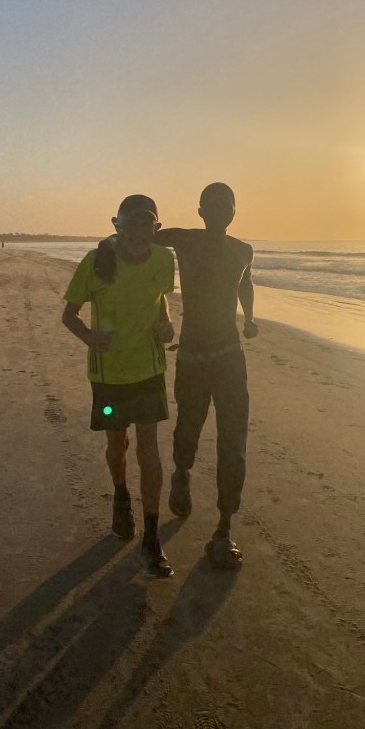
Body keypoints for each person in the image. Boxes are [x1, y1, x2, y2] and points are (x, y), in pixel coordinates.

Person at [62, 194, 176, 578]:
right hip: (109, 376)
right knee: (116, 444)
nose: (140, 235)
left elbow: (160, 302)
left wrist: (166, 325)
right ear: (118, 226)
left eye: (149, 226)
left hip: (148, 371)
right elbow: (69, 315)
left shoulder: (164, 260)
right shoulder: (96, 262)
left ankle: (152, 536)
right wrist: (89, 337)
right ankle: (122, 496)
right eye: (133, 227)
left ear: (156, 229)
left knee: (149, 448)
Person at [155, 182, 258, 569]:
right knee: (189, 427)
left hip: (231, 356)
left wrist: (249, 317)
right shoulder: (185, 240)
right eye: (211, 205)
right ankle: (182, 472)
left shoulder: (242, 250)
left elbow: (244, 281)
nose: (219, 211)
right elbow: (142, 240)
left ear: (234, 212)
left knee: (234, 441)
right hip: (194, 356)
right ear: (200, 211)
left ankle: (224, 529)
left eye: (226, 205)